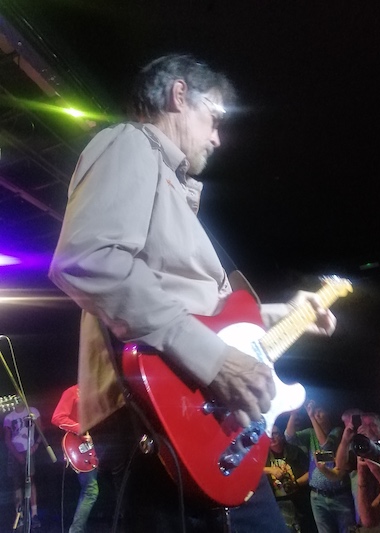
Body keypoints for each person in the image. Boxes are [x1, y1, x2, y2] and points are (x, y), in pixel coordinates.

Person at [48, 53, 336, 532]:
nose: (218, 137)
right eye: (214, 117)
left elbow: (206, 311)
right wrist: (215, 361)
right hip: (159, 424)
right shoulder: (129, 142)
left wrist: (289, 312)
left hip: (204, 431)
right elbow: (89, 258)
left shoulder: (175, 194)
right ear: (179, 95)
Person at [286, 400, 356, 533]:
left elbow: (326, 445)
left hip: (340, 496)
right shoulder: (310, 433)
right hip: (317, 496)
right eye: (314, 412)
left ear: (328, 413)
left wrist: (311, 417)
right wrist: (293, 414)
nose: (316, 414)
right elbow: (289, 437)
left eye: (319, 411)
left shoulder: (337, 431)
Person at [52, 385, 99, 533]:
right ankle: (76, 530)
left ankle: (79, 529)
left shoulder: (95, 391)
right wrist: (80, 428)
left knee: (88, 490)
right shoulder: (72, 392)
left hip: (94, 446)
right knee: (91, 490)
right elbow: (58, 417)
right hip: (80, 445)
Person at [264, 423, 315, 532]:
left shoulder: (295, 451)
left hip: (299, 500)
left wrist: (295, 483)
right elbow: (252, 469)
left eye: (275, 434)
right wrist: (270, 470)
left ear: (282, 435)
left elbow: (311, 472)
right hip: (277, 503)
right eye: (269, 435)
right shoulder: (263, 455)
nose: (272, 437)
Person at [3, 399, 42, 529]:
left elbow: (41, 431)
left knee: (30, 480)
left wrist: (36, 445)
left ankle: (34, 514)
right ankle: (19, 515)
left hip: (28, 450)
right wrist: (17, 455)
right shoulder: (9, 417)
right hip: (14, 451)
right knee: (16, 483)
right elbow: (7, 439)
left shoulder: (32, 411)